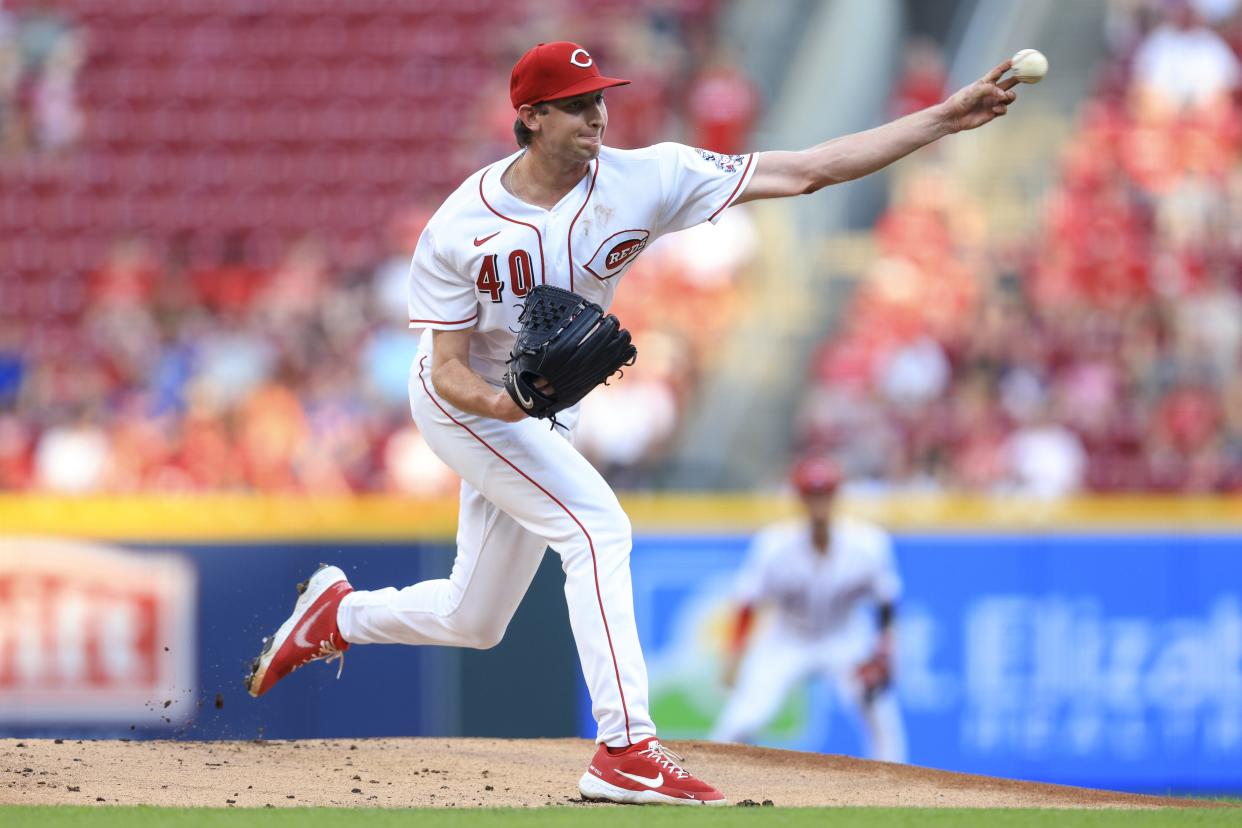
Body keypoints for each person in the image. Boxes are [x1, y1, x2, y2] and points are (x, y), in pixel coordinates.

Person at [245, 40, 1019, 805]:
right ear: (533, 117)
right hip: (465, 401)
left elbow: (806, 170)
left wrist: (940, 120)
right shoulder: (460, 226)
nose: (598, 116)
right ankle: (626, 750)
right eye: (578, 106)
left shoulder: (647, 177)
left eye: (600, 99)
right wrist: (505, 406)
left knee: (473, 618)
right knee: (597, 529)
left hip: (540, 404)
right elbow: (444, 367)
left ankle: (339, 614)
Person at [711, 457, 907, 762]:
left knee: (881, 716)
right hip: (788, 637)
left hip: (843, 636)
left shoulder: (868, 543)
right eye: (812, 494)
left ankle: (900, 792)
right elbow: (749, 602)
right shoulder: (774, 545)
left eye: (825, 493)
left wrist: (884, 648)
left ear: (837, 496)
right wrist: (735, 653)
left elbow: (885, 600)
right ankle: (712, 776)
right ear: (799, 498)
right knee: (743, 718)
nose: (819, 502)